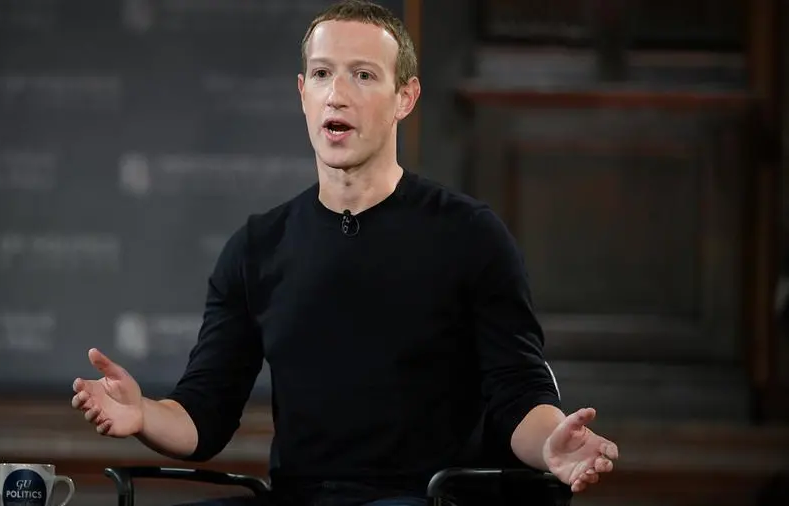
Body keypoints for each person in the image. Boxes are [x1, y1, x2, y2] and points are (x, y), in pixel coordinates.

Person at [71, 1, 620, 505]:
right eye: (321, 74)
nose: (337, 94)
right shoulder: (257, 248)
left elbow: (519, 394)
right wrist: (143, 414)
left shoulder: (470, 235)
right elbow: (203, 415)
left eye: (363, 75)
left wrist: (552, 441)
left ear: (405, 97)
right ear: (302, 94)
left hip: (424, 497)